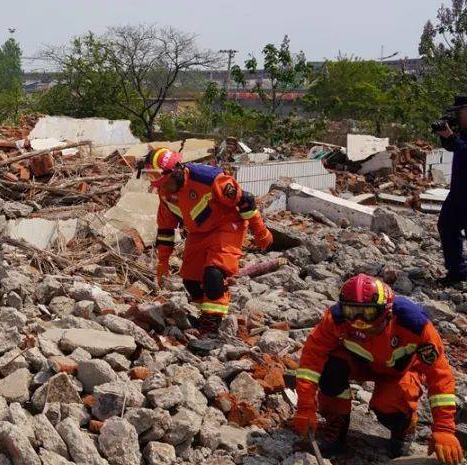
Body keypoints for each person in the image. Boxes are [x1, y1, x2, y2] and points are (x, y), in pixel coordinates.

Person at [292, 274, 461, 462]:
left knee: (390, 408)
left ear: (386, 311)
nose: (359, 321)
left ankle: (404, 426)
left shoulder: (414, 324)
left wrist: (444, 428)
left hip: (398, 371)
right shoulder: (336, 318)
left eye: (368, 313)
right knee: (329, 369)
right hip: (359, 364)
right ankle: (336, 426)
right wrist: (305, 407)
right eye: (351, 311)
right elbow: (310, 361)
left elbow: (440, 375)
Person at [143, 147, 272, 337]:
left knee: (213, 274)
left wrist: (261, 233)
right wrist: (163, 262)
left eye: (163, 181)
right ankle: (206, 316)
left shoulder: (209, 179)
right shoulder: (164, 193)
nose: (160, 186)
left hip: (227, 226)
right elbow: (166, 229)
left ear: (176, 171)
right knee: (191, 281)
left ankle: (211, 331)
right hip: (198, 233)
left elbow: (245, 200)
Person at [435, 94, 467, 285]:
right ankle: (457, 272)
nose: (457, 116)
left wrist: (452, 138)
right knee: (447, 227)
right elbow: (455, 148)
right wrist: (445, 137)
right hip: (458, 192)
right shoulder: (462, 131)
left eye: (459, 112)